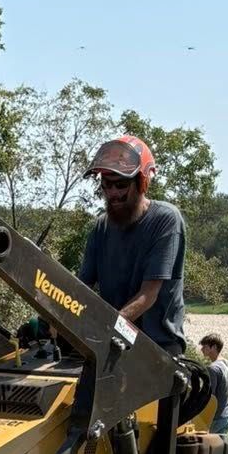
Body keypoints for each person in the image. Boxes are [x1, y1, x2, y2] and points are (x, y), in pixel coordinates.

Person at [76, 136, 187, 356]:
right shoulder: (101, 227)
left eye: (121, 185)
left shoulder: (165, 220)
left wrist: (107, 328)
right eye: (107, 185)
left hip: (158, 349)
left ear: (142, 182)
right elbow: (80, 289)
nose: (113, 193)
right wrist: (53, 319)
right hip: (115, 345)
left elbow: (148, 296)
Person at [199, 332, 228, 434]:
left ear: (214, 347)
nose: (201, 349)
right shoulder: (226, 363)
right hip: (227, 415)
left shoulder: (212, 368)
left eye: (204, 347)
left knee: (206, 447)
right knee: (222, 448)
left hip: (216, 418)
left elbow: (210, 396)